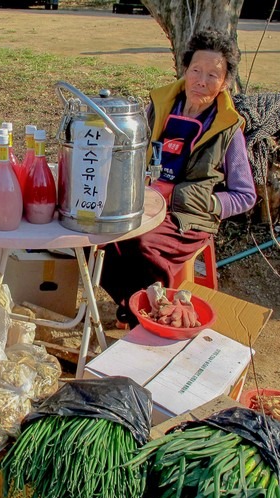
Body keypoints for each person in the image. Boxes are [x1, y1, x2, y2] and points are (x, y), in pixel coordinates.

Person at [100, 28, 256, 325]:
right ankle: (138, 307)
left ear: (224, 83)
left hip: (189, 217)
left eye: (213, 75)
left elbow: (245, 195)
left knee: (143, 243)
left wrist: (206, 203)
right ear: (184, 71)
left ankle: (144, 317)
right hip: (146, 204)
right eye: (196, 70)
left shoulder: (228, 129)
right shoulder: (158, 109)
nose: (201, 80)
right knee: (102, 241)